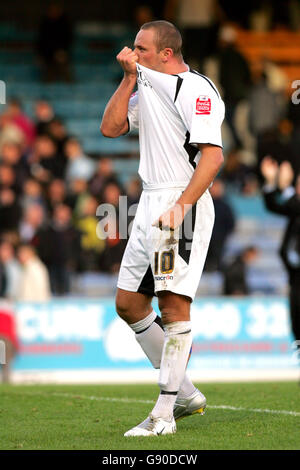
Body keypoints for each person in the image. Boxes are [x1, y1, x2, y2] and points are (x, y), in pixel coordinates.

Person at [100, 20, 224, 436]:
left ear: (167, 54)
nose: (132, 53)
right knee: (128, 303)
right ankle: (186, 393)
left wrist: (181, 207)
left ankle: (164, 414)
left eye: (141, 49)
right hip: (150, 200)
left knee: (173, 307)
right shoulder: (145, 85)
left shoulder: (197, 89)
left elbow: (212, 158)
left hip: (180, 201)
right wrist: (128, 78)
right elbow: (112, 128)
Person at [260, 156, 300, 352]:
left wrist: (285, 187)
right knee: (296, 324)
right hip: (295, 277)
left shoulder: (296, 206)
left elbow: (292, 204)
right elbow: (274, 206)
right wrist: (271, 182)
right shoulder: (295, 209)